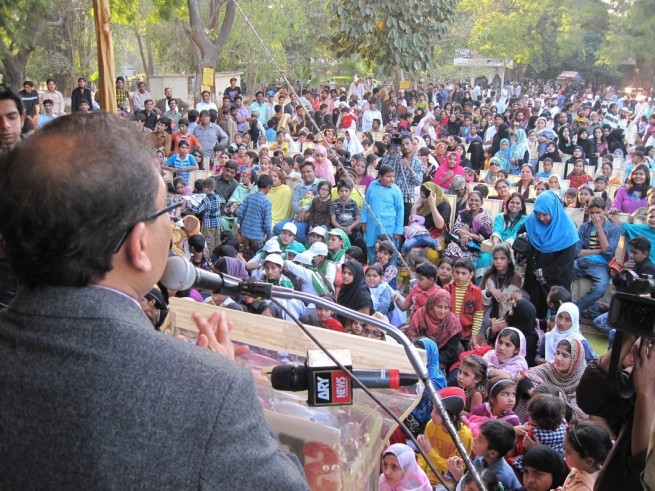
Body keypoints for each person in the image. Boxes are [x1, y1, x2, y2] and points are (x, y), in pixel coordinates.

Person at [0, 112, 308, 488]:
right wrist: (207, 383)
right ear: (138, 245)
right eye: (165, 211)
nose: (172, 225)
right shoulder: (212, 390)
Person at [521, 190, 579, 317]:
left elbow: (567, 257)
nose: (541, 218)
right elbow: (521, 240)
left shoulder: (568, 228)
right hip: (534, 275)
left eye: (545, 214)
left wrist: (545, 273)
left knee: (557, 315)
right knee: (532, 312)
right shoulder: (531, 221)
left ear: (553, 210)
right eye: (538, 214)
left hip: (557, 278)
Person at [572, 197, 620, 316]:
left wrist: (599, 227)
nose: (595, 216)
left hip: (600, 265)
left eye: (598, 212)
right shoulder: (584, 227)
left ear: (604, 211)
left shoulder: (614, 228)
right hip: (581, 262)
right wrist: (599, 251)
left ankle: (574, 310)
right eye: (592, 213)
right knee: (561, 274)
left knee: (600, 288)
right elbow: (576, 252)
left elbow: (608, 252)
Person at [416, 387, 473, 487]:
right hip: (427, 477)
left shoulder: (464, 436)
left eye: (437, 412)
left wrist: (429, 451)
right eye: (433, 409)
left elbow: (455, 471)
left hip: (446, 483)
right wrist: (419, 473)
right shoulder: (431, 425)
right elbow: (423, 454)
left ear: (452, 418)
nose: (431, 414)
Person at [406, 288, 462, 371]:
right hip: (417, 355)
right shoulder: (420, 315)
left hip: (440, 362)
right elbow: (412, 337)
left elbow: (451, 352)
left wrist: (432, 361)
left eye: (446, 308)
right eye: (439, 307)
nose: (442, 311)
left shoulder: (453, 323)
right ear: (432, 305)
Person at [361, 165, 404, 265]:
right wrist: (364, 219)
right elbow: (366, 203)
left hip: (388, 227)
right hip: (372, 225)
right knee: (372, 249)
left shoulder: (396, 190)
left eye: (393, 176)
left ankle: (389, 277)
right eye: (388, 176)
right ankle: (373, 272)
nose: (391, 179)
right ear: (380, 176)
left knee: (388, 251)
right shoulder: (372, 186)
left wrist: (398, 229)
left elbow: (400, 210)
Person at [561, 421, 612, 491]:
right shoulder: (580, 467)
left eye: (568, 452)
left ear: (588, 461)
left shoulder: (586, 488)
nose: (564, 453)